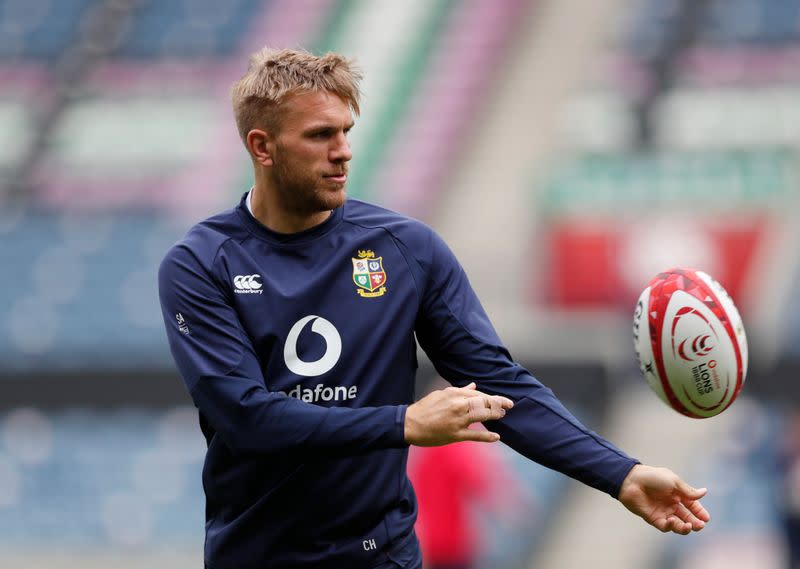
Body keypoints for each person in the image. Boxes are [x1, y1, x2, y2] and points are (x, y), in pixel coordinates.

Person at [158, 47, 710, 569]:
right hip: (256, 557)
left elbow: (501, 386)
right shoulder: (202, 265)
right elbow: (249, 419)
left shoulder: (407, 250)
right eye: (320, 135)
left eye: (346, 131)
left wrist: (622, 474)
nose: (344, 150)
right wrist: (403, 423)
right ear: (262, 147)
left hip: (382, 555)